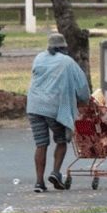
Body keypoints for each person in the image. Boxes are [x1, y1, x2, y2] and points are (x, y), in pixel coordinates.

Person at [26, 33, 89, 192]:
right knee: (61, 140)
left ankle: (39, 183)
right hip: (54, 107)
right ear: (63, 48)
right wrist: (84, 100)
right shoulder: (67, 61)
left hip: (34, 105)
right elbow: (82, 87)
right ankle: (55, 172)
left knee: (41, 144)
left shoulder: (39, 57)